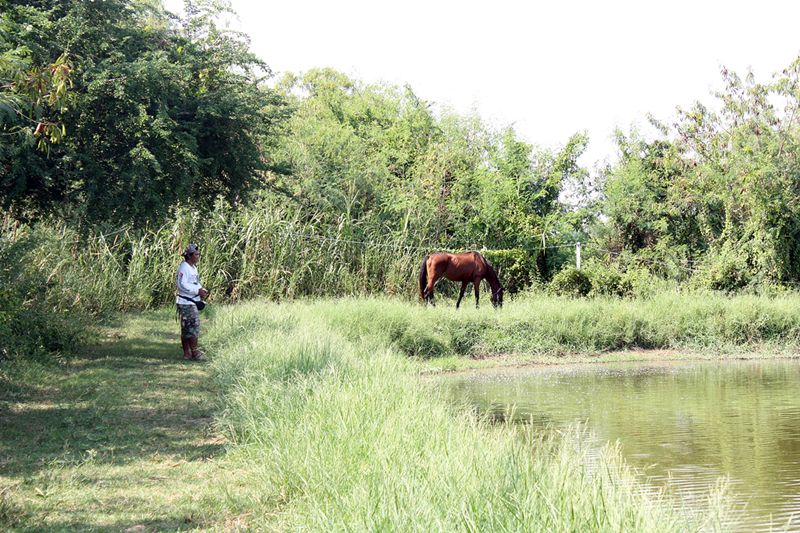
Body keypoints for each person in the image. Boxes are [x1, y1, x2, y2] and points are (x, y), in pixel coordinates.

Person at [176, 243, 209, 361]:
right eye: (196, 254)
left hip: (192, 301)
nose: (198, 256)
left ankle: (187, 353)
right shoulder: (184, 268)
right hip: (186, 302)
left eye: (198, 254)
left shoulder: (193, 268)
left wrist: (201, 290)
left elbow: (194, 282)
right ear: (189, 256)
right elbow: (182, 285)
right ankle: (194, 352)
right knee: (192, 326)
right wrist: (196, 290)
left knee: (187, 328)